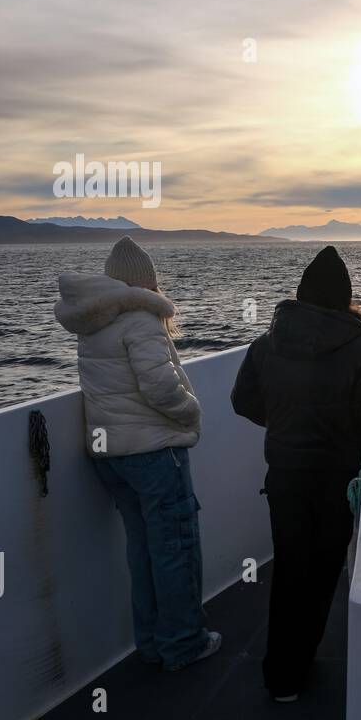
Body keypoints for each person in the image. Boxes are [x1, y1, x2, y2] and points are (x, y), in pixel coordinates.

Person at [54, 236, 220, 671]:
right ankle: (184, 644)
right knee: (176, 550)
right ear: (146, 284)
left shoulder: (94, 323)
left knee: (143, 550)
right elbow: (159, 385)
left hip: (112, 457)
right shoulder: (141, 319)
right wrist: (191, 413)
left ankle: (151, 644)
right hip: (153, 453)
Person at [231, 246, 361, 702]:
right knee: (322, 573)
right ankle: (301, 662)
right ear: (345, 299)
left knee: (289, 570)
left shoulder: (265, 344)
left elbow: (243, 402)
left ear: (300, 296)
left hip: (284, 474)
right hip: (336, 477)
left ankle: (281, 676)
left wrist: (282, 424)